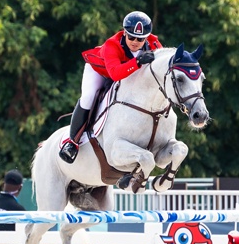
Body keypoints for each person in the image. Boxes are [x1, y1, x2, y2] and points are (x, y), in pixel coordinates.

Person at [58, 11, 164, 164]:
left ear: (146, 37)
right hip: (100, 71)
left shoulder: (154, 45)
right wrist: (138, 62)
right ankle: (72, 142)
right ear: (124, 33)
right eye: (131, 37)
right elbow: (115, 74)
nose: (135, 41)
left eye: (140, 39)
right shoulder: (112, 45)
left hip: (128, 75)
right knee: (88, 97)